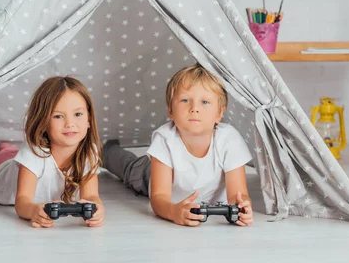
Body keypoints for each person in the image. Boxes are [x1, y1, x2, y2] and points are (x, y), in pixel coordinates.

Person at [102, 64, 254, 227]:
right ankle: (106, 151)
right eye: (185, 100)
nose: (194, 108)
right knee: (130, 168)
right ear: (170, 111)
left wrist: (242, 207)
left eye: (204, 102)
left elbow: (239, 194)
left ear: (219, 113)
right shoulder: (165, 138)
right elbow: (159, 196)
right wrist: (173, 212)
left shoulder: (229, 140)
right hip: (148, 174)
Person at [0, 76, 105, 228]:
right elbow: (22, 201)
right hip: (3, 174)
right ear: (43, 122)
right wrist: (33, 211)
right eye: (58, 116)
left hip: (24, 160)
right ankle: (5, 148)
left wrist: (97, 208)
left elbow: (91, 195)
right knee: (5, 157)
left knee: (14, 154)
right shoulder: (34, 152)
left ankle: (9, 149)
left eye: (78, 114)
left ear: (89, 119)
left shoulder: (88, 151)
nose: (70, 124)